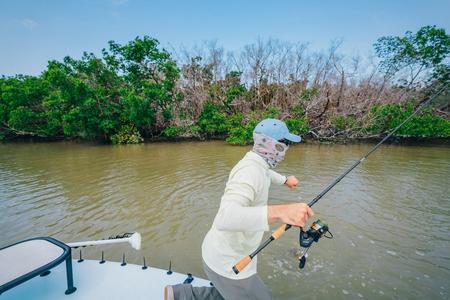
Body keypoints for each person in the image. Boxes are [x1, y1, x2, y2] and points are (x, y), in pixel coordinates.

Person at [165, 118, 314, 300]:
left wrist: (285, 180)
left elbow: (266, 173)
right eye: (283, 145)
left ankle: (182, 294)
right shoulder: (249, 171)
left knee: (233, 295)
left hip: (226, 252)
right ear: (269, 144)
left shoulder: (257, 163)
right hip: (227, 261)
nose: (286, 150)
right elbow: (226, 218)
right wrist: (282, 212)